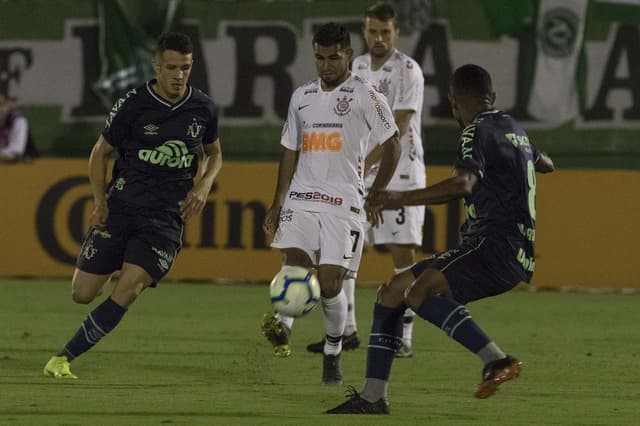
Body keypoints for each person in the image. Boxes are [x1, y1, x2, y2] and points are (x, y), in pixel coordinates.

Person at [326, 64, 554, 414]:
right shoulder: (514, 128)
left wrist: (397, 197)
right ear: (491, 96)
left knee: (420, 291)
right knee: (391, 291)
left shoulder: (474, 130)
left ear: (453, 104)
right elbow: (546, 163)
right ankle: (373, 397)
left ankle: (496, 359)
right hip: (513, 248)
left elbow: (463, 184)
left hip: (493, 243)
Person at [43, 32, 223, 379]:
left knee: (131, 287)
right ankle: (120, 266)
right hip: (122, 207)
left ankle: (63, 358)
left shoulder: (204, 108)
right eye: (171, 67)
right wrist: (99, 202)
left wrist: (204, 185)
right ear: (156, 66)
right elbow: (100, 151)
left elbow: (215, 153)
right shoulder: (132, 104)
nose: (179, 75)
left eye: (185, 68)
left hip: (166, 219)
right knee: (82, 294)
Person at [260, 22, 400, 384]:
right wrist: (277, 203)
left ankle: (333, 350)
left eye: (333, 57)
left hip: (343, 203)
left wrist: (378, 191)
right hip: (302, 197)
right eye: (319, 58)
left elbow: (392, 145)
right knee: (294, 263)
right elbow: (290, 150)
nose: (325, 65)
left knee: (330, 284)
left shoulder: (366, 95)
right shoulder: (301, 97)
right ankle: (285, 326)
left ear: (349, 55)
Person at [306, 1, 426, 358]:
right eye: (373, 31)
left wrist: (363, 163)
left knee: (402, 254)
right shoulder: (356, 66)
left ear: (396, 33)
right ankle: (347, 330)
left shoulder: (408, 70)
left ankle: (404, 337)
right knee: (347, 248)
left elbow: (400, 127)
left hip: (400, 173)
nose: (378, 38)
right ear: (364, 32)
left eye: (385, 32)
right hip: (356, 174)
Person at [0, 94, 38, 163]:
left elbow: (14, 152)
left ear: (8, 106)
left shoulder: (19, 121)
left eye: (1, 105)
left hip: (25, 166)